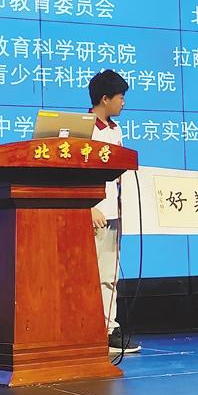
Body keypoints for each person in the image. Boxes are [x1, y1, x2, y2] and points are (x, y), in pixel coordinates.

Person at [88, 69, 141, 353]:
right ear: (104, 99)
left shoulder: (115, 129)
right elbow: (77, 173)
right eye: (120, 97)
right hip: (94, 212)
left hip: (114, 211)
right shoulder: (85, 129)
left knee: (109, 273)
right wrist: (90, 206)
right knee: (91, 273)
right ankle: (93, 329)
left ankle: (109, 328)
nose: (123, 102)